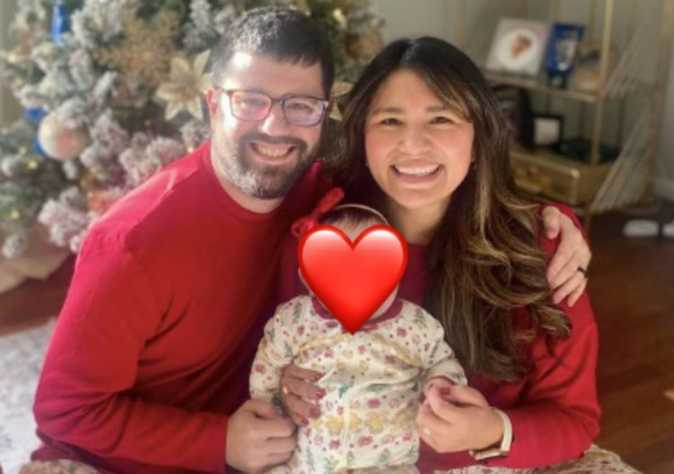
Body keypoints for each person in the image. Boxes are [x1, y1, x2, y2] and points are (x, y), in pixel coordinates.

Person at [30, 8, 590, 474]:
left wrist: (554, 218)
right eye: (249, 101)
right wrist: (234, 429)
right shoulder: (143, 241)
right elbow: (64, 411)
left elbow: (574, 417)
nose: (275, 129)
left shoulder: (323, 196)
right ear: (210, 103)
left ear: (325, 116)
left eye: (299, 106)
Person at [278, 36, 600, 472]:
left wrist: (492, 431)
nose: (413, 145)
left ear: (479, 136)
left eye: (441, 119)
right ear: (362, 135)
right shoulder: (323, 236)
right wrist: (285, 383)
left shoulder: (541, 256)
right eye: (390, 120)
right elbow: (285, 342)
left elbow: (575, 420)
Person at [250, 191, 466, 473]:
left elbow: (441, 359)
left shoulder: (414, 325)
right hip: (309, 461)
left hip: (389, 463)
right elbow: (269, 360)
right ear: (308, 277)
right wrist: (268, 404)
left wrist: (441, 384)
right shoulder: (296, 319)